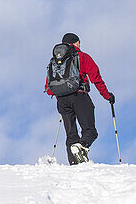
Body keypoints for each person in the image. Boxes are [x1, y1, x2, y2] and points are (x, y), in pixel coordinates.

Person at [44, 32, 114, 164]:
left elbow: (48, 88)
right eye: (79, 43)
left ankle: (75, 164)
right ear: (76, 43)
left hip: (62, 101)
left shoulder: (55, 61)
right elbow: (96, 79)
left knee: (71, 135)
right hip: (79, 96)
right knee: (90, 131)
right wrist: (107, 96)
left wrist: (62, 91)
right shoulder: (82, 56)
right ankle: (81, 147)